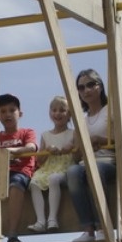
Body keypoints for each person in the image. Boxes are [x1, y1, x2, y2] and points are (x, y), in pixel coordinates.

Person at [66, 69, 115, 242]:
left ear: (100, 87)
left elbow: (121, 141)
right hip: (85, 162)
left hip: (107, 160)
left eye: (90, 85)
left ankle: (103, 226)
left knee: (93, 170)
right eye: (81, 87)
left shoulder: (111, 111)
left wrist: (100, 140)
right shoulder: (82, 120)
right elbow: (77, 152)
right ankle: (88, 229)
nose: (86, 90)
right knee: (72, 172)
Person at [28, 95, 76, 232]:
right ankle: (40, 220)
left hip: (65, 167)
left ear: (69, 114)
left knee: (54, 179)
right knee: (34, 182)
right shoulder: (45, 135)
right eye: (54, 110)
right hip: (49, 167)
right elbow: (40, 160)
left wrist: (70, 148)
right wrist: (47, 151)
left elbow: (78, 154)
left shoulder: (73, 133)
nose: (57, 113)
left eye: (62, 110)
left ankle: (52, 218)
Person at [0, 93, 38, 242]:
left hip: (20, 172)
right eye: (3, 111)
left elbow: (31, 147)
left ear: (19, 114)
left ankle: (13, 233)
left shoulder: (26, 132)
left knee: (15, 185)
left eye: (11, 110)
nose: (7, 114)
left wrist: (12, 151)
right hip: (1, 173)